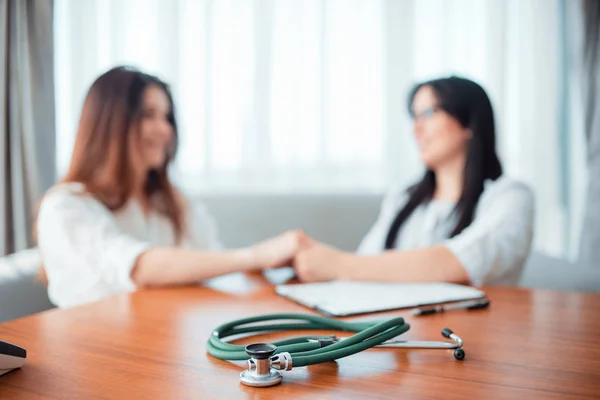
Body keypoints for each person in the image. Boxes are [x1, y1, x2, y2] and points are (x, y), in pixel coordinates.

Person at [36, 66, 303, 308]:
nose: (165, 130)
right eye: (148, 115)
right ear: (109, 124)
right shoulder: (64, 207)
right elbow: (136, 268)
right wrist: (257, 255)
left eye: (167, 117)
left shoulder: (170, 200)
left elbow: (213, 261)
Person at [293, 76, 535, 286]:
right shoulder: (404, 198)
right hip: (399, 328)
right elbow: (366, 260)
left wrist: (338, 264)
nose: (415, 129)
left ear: (469, 123)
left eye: (429, 113)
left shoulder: (510, 197)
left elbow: (460, 262)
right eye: (414, 116)